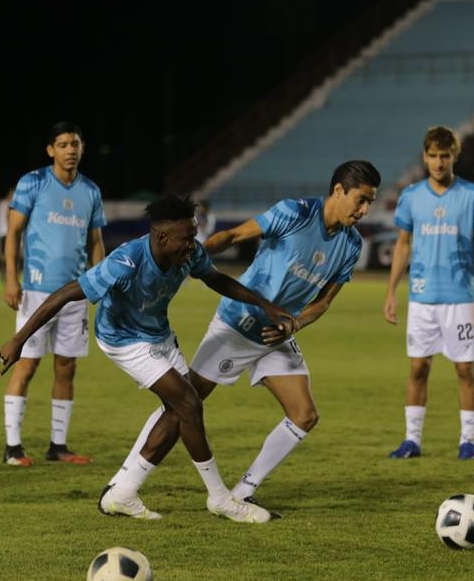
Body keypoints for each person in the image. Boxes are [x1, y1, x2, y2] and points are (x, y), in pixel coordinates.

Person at [0, 194, 299, 523]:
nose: (193, 244)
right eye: (187, 238)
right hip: (122, 338)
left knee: (179, 410)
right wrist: (19, 339)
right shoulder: (125, 261)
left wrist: (266, 306)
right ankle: (221, 498)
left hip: (158, 334)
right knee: (188, 403)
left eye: (194, 235)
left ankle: (123, 493)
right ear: (162, 237)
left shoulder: (189, 254)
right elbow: (67, 293)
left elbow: (215, 279)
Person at [115, 161, 381, 515]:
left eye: (369, 204)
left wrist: (295, 324)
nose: (364, 210)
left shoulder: (350, 245)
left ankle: (242, 492)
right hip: (237, 325)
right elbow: (234, 236)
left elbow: (324, 302)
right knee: (182, 406)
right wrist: (197, 257)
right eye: (360, 200)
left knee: (304, 415)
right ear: (338, 191)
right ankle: (125, 483)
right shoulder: (295, 213)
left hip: (276, 334)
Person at [1, 122, 106, 467]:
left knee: (66, 367)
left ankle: (57, 446)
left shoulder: (90, 190)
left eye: (75, 143)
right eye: (62, 144)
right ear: (50, 150)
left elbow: (95, 242)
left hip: (75, 293)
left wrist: (101, 281)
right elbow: (13, 234)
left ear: (82, 147)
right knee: (27, 364)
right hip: (35, 290)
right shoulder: (33, 182)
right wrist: (11, 280)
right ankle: (12, 448)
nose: (70, 150)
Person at [383, 125, 474, 461]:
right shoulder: (411, 197)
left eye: (445, 156)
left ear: (454, 156)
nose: (439, 162)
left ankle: (468, 442)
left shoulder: (472, 195)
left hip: (460, 297)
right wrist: (391, 292)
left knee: (464, 370)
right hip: (421, 298)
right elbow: (402, 245)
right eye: (433, 156)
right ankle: (411, 440)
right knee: (417, 368)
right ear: (425, 156)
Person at [0, 186, 14, 281]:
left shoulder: (2, 203)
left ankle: (3, 272)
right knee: (9, 254)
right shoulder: (7, 204)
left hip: (1, 232)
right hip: (6, 232)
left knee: (3, 254)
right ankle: (6, 273)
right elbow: (7, 216)